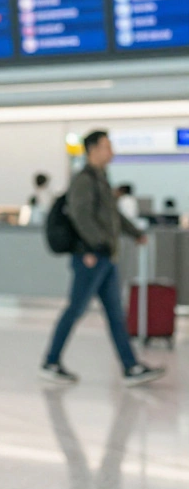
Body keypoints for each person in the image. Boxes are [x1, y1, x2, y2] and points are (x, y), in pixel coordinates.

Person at [40, 130, 165, 387]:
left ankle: (131, 367)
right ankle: (51, 361)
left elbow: (113, 216)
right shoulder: (84, 180)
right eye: (107, 146)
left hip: (105, 255)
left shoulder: (101, 179)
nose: (112, 152)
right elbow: (80, 216)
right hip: (92, 256)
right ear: (93, 149)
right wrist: (90, 247)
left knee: (116, 314)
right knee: (76, 309)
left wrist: (135, 233)